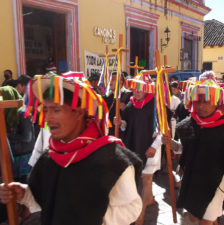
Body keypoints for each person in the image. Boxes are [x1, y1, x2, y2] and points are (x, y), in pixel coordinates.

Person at [0, 74, 143, 225]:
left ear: (79, 113)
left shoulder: (112, 159)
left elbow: (131, 208)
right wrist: (24, 194)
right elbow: (46, 202)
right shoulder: (49, 159)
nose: (48, 118)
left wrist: (90, 218)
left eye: (56, 110)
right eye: (46, 110)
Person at [175, 78, 224, 225]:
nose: (201, 106)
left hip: (214, 184)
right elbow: (184, 149)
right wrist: (170, 144)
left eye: (206, 101)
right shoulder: (189, 124)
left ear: (217, 103)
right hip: (192, 182)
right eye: (198, 101)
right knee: (193, 217)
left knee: (206, 221)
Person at [115, 74, 169, 225]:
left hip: (151, 148)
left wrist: (154, 146)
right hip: (134, 145)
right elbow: (128, 126)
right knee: (140, 178)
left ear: (147, 89)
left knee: (146, 179)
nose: (136, 91)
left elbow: (163, 129)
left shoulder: (156, 105)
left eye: (141, 88)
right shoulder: (131, 105)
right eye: (135, 87)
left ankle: (141, 213)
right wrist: (121, 123)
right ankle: (149, 199)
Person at [0, 86, 35, 182]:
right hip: (12, 158)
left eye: (2, 98)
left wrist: (6, 135)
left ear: (9, 97)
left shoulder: (23, 113)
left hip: (24, 158)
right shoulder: (5, 113)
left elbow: (27, 137)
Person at [104, 71, 132, 136]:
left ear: (121, 82)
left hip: (123, 136)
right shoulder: (107, 96)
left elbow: (132, 119)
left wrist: (125, 108)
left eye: (113, 79)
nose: (110, 81)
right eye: (110, 79)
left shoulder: (129, 95)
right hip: (109, 134)